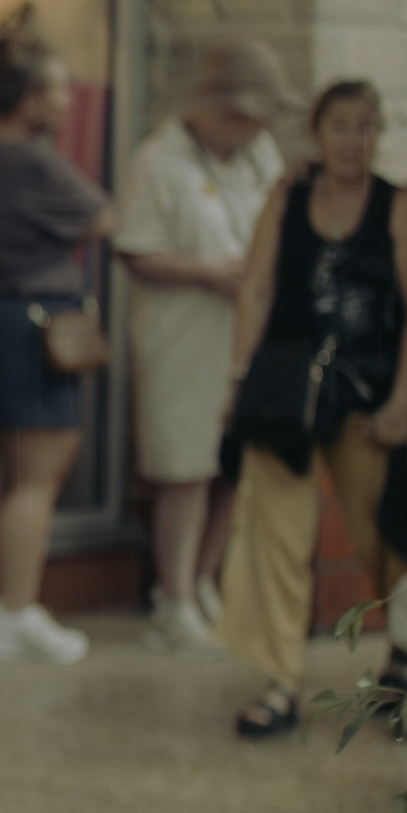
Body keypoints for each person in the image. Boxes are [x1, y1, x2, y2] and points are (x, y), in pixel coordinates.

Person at [217, 80, 407, 737]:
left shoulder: (401, 208)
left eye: (366, 126)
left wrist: (405, 397)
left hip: (368, 391)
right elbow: (254, 292)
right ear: (317, 132)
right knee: (273, 531)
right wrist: (238, 381)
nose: (353, 139)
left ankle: (405, 648)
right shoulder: (286, 198)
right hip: (285, 393)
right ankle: (279, 679)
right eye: (340, 125)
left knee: (380, 527)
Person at [0, 9, 112, 664]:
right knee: (37, 476)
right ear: (30, 97)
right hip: (34, 324)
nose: (67, 100)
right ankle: (20, 610)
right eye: (58, 88)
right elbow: (103, 218)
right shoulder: (33, 160)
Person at [113, 42, 295, 658]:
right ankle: (174, 598)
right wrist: (207, 273)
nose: (257, 128)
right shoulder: (160, 160)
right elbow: (134, 250)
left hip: (243, 337)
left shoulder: (260, 156)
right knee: (185, 468)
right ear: (219, 112)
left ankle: (204, 579)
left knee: (231, 464)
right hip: (184, 334)